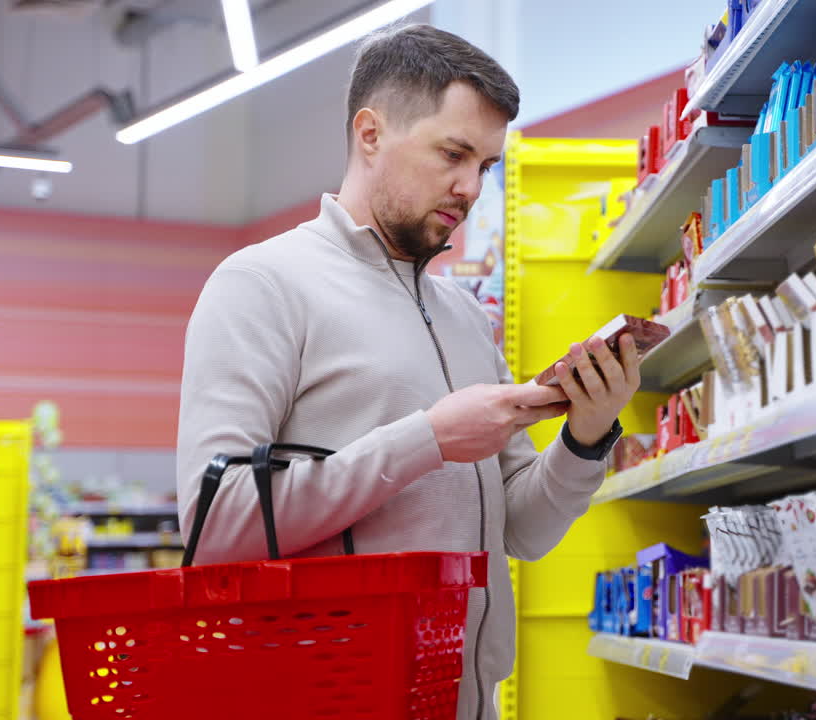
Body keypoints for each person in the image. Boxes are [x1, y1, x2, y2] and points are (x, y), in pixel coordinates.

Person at [175, 24, 638, 720]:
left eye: (486, 165)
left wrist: (586, 435)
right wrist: (427, 440)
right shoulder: (262, 284)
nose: (471, 186)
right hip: (327, 699)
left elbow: (522, 532)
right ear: (370, 135)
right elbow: (216, 526)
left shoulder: (461, 315)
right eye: (453, 154)